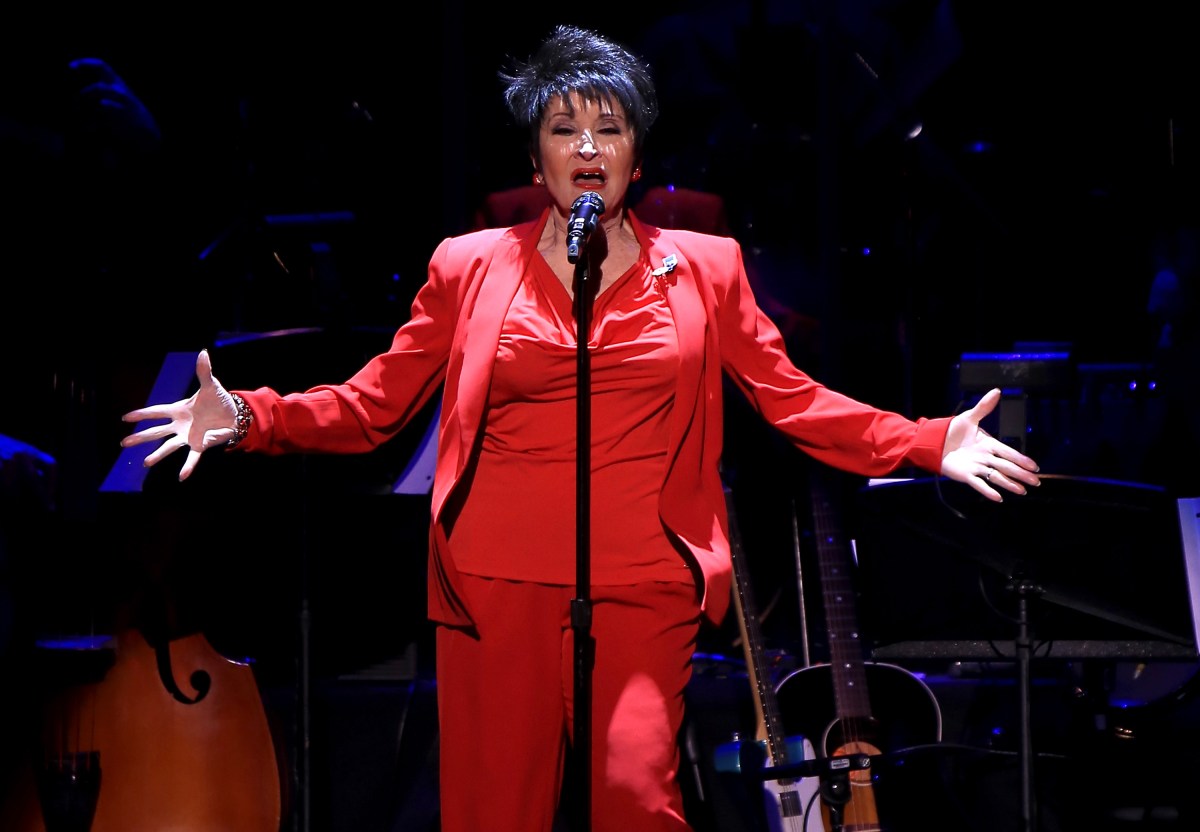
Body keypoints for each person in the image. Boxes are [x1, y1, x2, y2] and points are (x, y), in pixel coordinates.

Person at [118, 24, 1041, 832]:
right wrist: (248, 416)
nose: (588, 145)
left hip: (645, 585)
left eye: (610, 127)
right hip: (494, 587)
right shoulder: (468, 266)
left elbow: (792, 397)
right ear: (536, 162)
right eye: (565, 129)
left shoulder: (708, 269)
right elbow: (373, 404)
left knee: (637, 799)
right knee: (496, 817)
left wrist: (927, 440)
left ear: (639, 157)